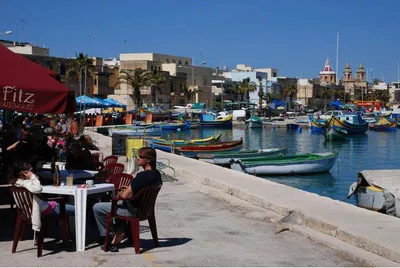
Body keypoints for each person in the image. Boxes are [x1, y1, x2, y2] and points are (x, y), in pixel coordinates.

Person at [93, 147, 162, 252]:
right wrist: (131, 189)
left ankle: (112, 236)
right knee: (117, 204)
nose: (137, 158)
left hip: (132, 211)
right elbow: (143, 190)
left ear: (148, 160)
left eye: (140, 157)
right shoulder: (157, 175)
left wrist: (121, 193)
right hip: (146, 211)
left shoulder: (141, 176)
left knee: (97, 207)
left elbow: (124, 196)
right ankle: (119, 231)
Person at [9, 162, 75, 231]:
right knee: (77, 210)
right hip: (43, 209)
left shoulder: (16, 182)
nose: (32, 172)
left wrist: (33, 179)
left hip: (27, 211)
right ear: (23, 173)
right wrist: (33, 177)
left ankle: (61, 223)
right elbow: (37, 189)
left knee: (57, 204)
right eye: (30, 171)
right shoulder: (25, 183)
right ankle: (72, 231)